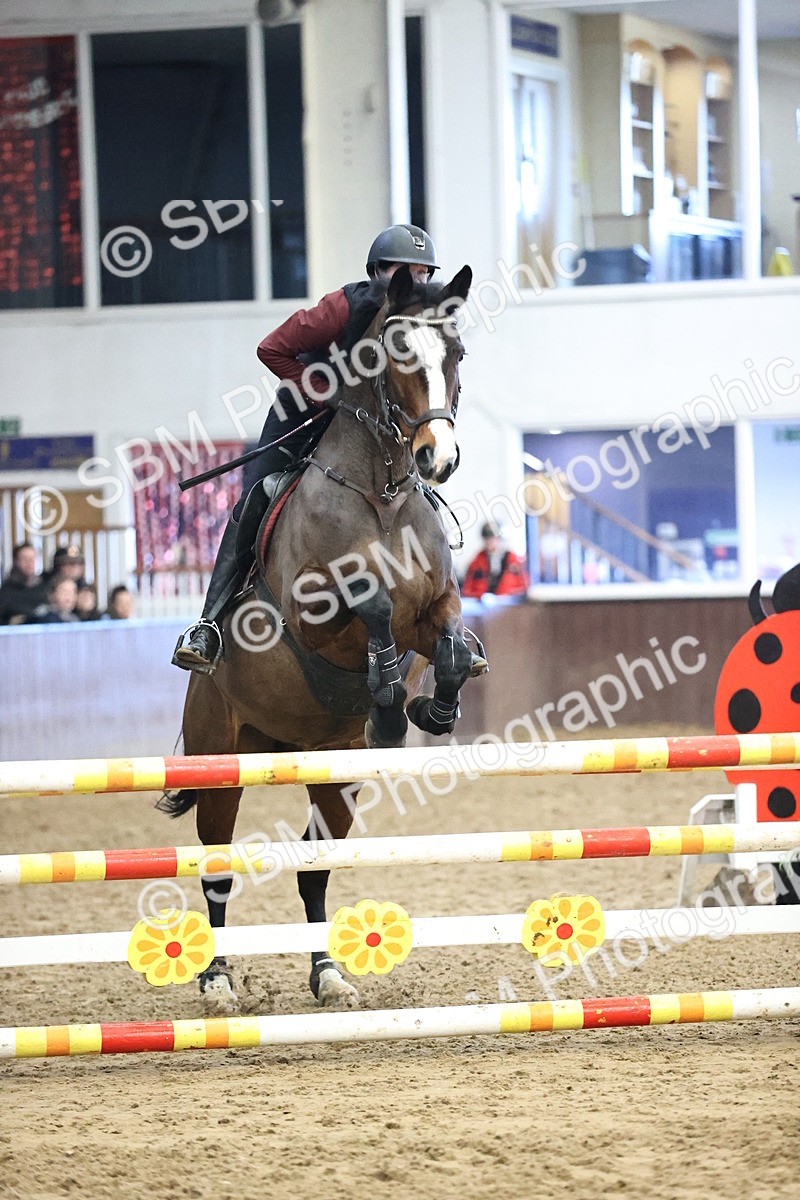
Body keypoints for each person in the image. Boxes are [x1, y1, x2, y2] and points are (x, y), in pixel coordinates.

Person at [173, 222, 440, 675]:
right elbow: (272, 348)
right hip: (306, 415)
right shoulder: (341, 308)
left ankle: (445, 618)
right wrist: (322, 391)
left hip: (370, 430)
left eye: (423, 273)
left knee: (419, 492)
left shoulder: (421, 324)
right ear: (379, 272)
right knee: (254, 499)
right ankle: (210, 624)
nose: (416, 282)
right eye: (405, 272)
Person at [461, 522, 529, 599]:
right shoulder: (476, 563)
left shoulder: (514, 561)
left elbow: (523, 588)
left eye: (493, 538)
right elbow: (467, 589)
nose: (490, 542)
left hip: (509, 603)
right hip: (482, 604)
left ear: (501, 539)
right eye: (487, 538)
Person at [0, 542, 45, 625]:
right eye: (25, 559)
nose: (29, 562)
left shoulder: (45, 588)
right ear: (15, 561)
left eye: (32, 558)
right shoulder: (5, 592)